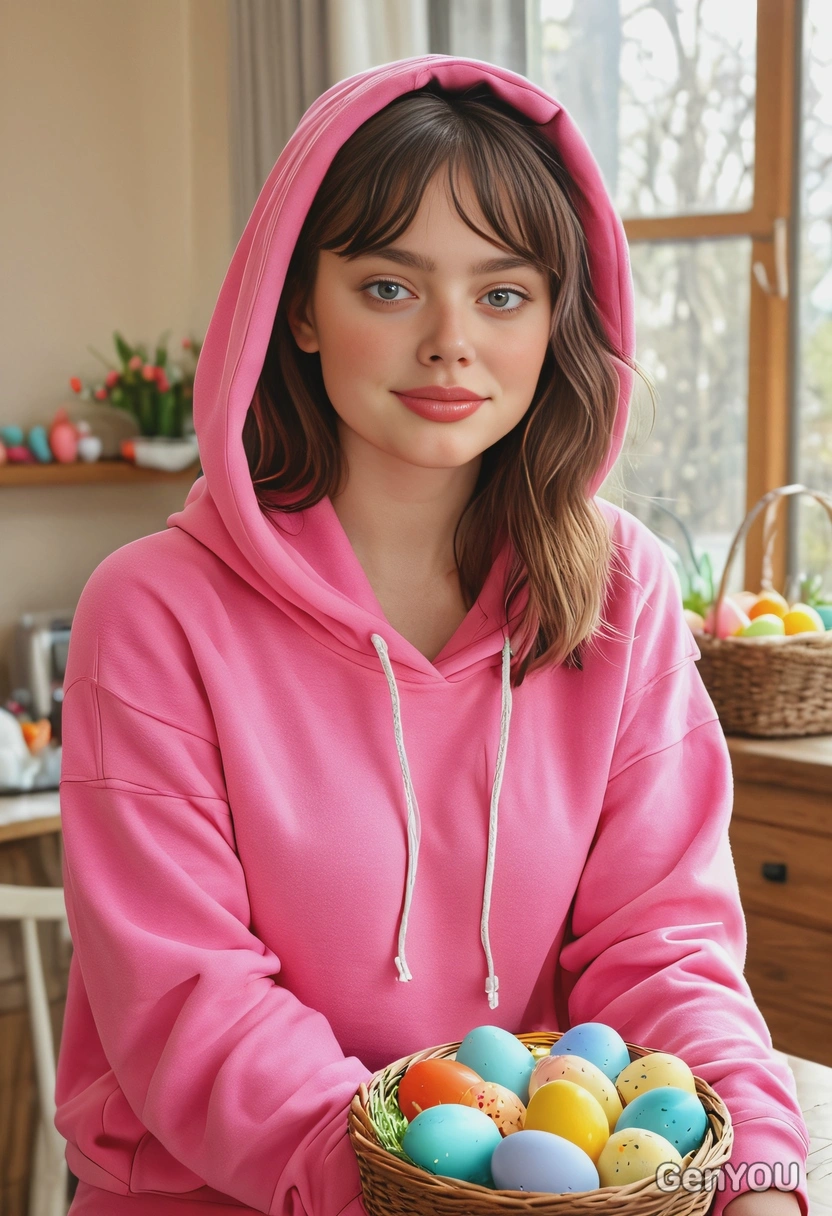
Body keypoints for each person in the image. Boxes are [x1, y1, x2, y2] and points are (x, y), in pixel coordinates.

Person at [54, 55, 809, 1216]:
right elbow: (189, 1004)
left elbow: (664, 950)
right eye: (389, 287)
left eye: (502, 295)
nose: (451, 342)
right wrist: (408, 1189)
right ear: (300, 306)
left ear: (557, 318)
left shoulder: (623, 590)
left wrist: (755, 1172)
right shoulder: (154, 611)